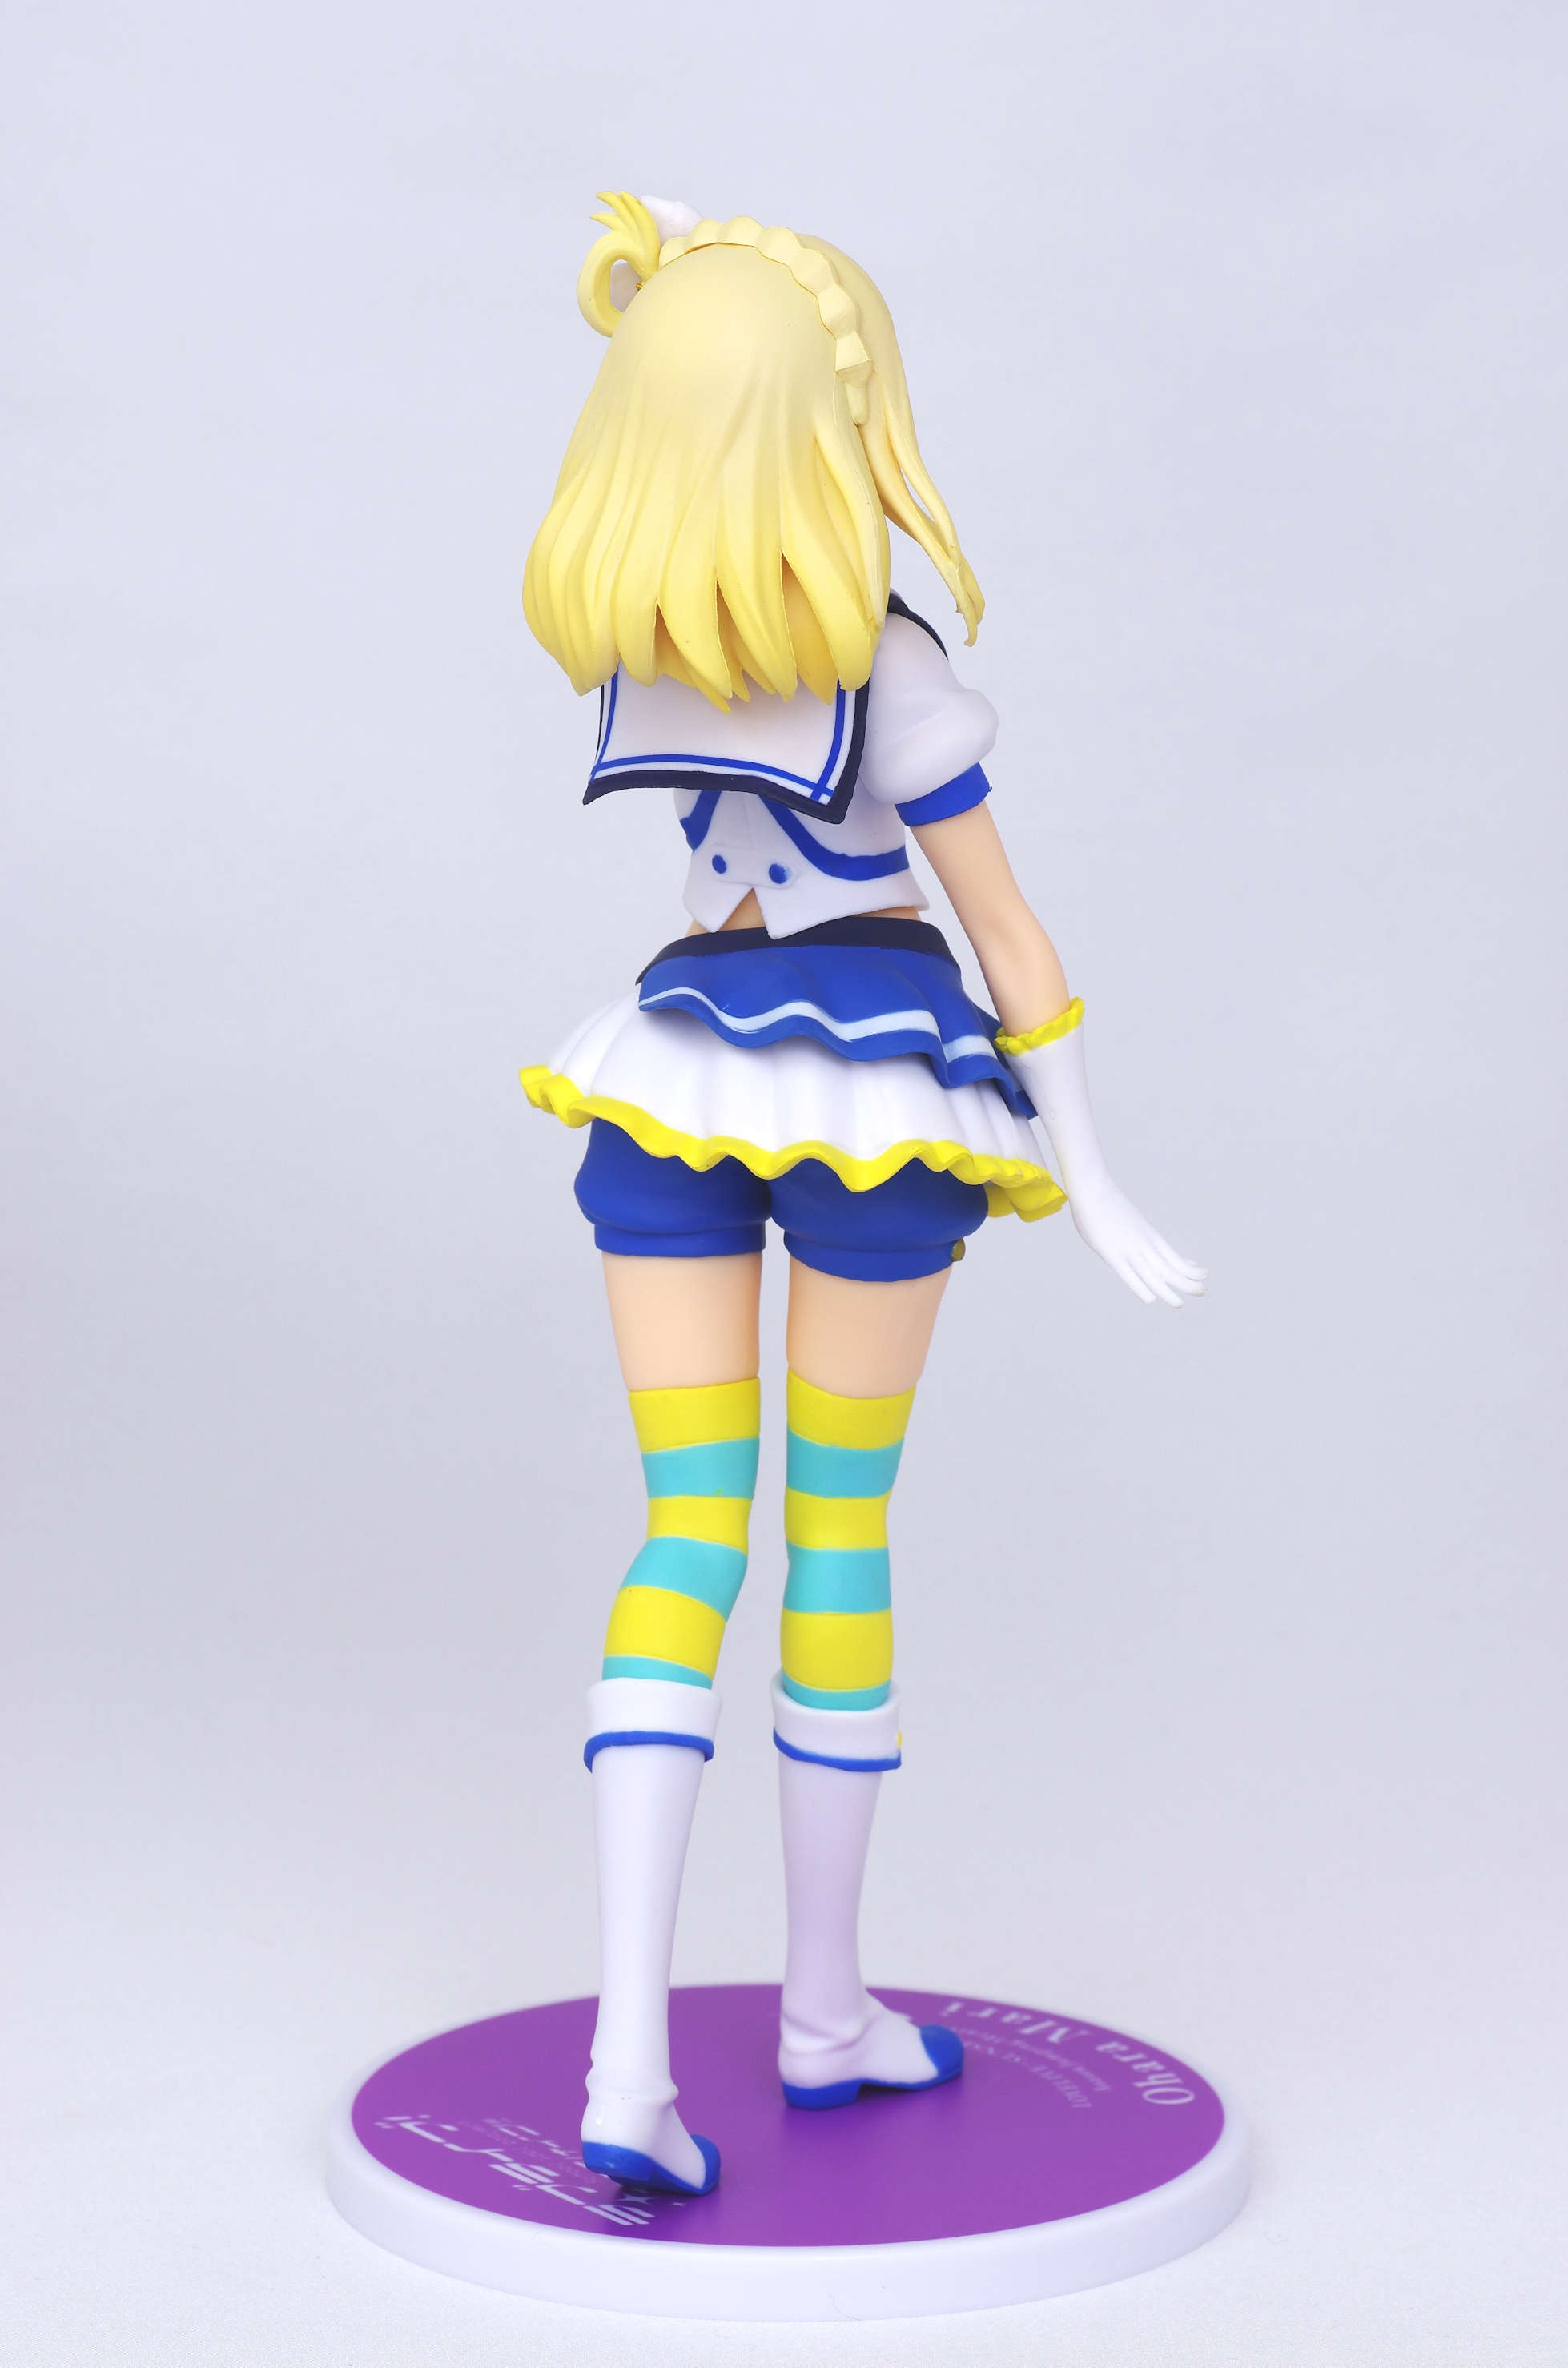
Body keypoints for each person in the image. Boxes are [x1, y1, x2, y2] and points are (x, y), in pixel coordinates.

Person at [521, 194, 1205, 2197]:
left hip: (669, 1083)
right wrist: (1090, 1173)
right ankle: (819, 2016)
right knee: (834, 1531)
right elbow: (1010, 942)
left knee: (684, 1531)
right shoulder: (882, 665)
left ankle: (628, 2063)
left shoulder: (648, 651)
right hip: (873, 1110)